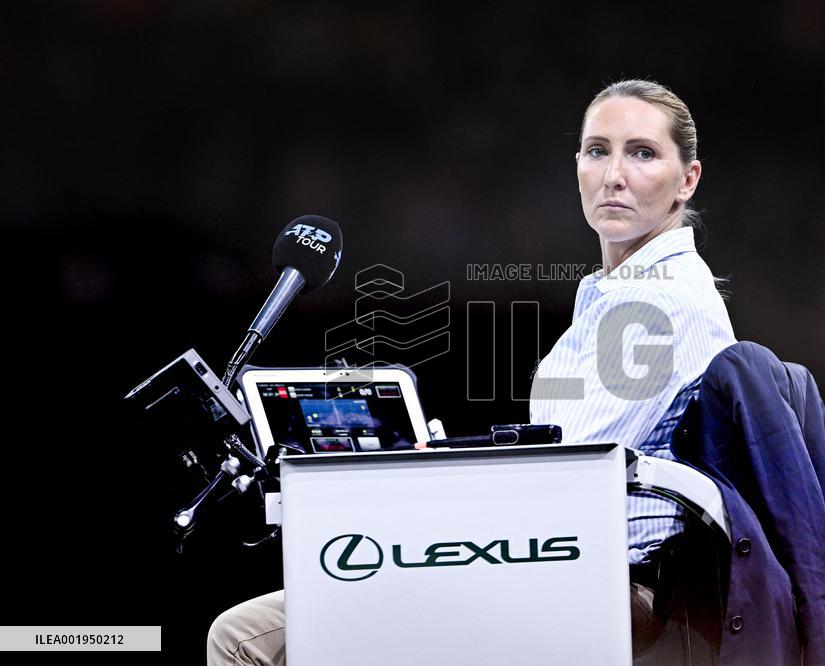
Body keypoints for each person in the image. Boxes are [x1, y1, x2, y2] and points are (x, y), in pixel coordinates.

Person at [207, 78, 735, 665]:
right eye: (597, 151)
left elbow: (568, 483)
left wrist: (441, 481)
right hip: (554, 571)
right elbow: (555, 467)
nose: (614, 174)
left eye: (642, 153)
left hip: (596, 590)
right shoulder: (618, 295)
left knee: (240, 640)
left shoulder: (661, 303)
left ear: (687, 179)